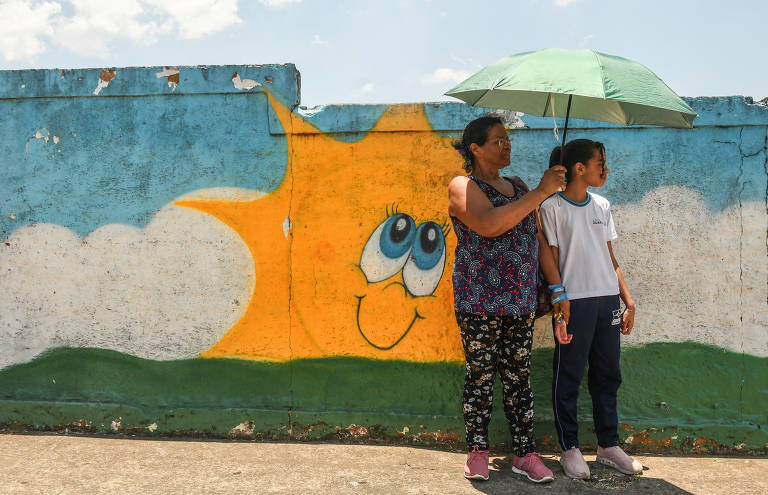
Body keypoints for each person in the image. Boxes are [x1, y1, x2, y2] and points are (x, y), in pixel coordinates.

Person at [448, 116, 568, 483]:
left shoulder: (517, 186)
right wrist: (540, 193)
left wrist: (557, 288)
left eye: (508, 139)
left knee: (519, 379)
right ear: (476, 148)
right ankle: (478, 451)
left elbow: (536, 239)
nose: (507, 145)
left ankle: (525, 453)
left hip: (520, 302)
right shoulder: (462, 185)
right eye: (498, 140)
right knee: (481, 377)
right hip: (478, 301)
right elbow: (489, 224)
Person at [539, 139, 642, 479]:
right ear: (579, 168)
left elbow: (609, 258)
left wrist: (627, 300)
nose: (606, 168)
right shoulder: (551, 207)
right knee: (568, 375)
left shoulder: (602, 205)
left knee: (608, 374)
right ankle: (569, 448)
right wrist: (558, 305)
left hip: (607, 301)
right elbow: (550, 259)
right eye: (601, 162)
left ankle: (608, 446)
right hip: (573, 303)